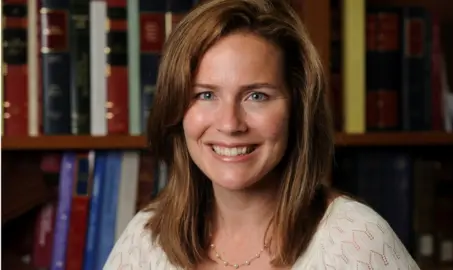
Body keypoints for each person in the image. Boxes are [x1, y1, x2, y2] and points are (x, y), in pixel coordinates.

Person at [104, 0, 420, 269]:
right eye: (205, 95)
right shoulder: (145, 239)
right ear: (176, 109)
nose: (230, 124)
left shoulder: (356, 243)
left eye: (256, 96)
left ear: (298, 109)